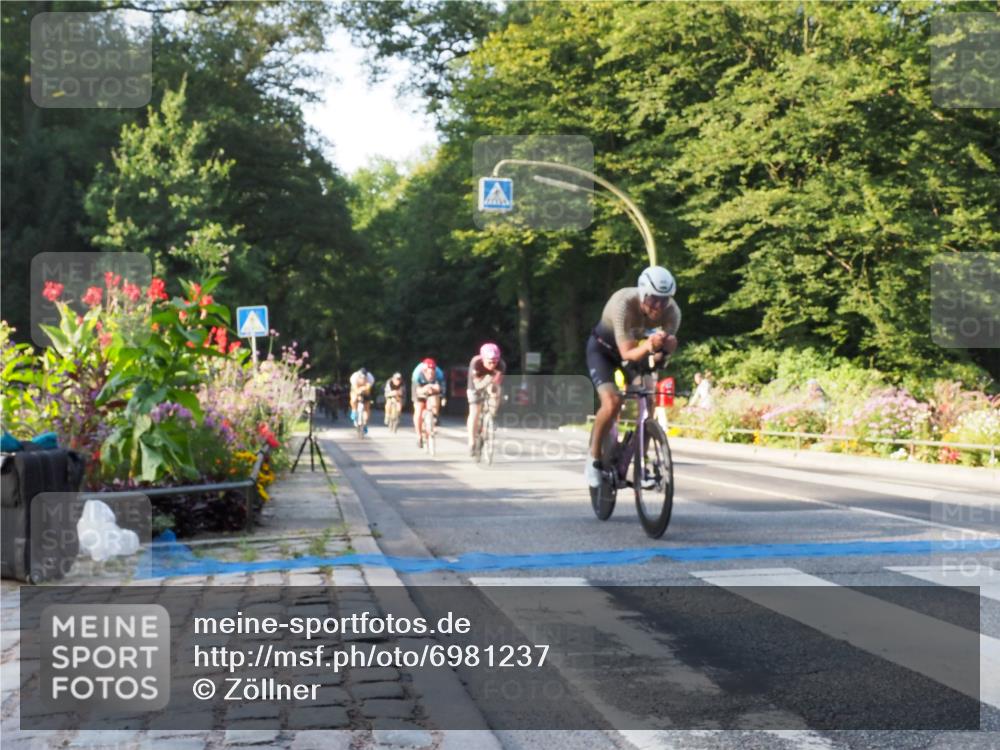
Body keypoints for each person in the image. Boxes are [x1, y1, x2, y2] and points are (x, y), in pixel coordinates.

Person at [585, 266, 681, 488]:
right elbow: (627, 353)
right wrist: (649, 345)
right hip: (603, 352)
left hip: (636, 354)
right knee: (612, 402)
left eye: (664, 300)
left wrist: (665, 352)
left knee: (649, 400)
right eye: (653, 299)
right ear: (642, 293)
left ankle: (640, 465)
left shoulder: (673, 313)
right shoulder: (624, 304)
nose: (659, 306)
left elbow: (657, 359)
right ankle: (593, 458)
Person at [467, 343, 507, 456]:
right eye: (489, 362)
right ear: (483, 359)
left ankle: (491, 417)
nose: (492, 364)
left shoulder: (501, 365)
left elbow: (496, 384)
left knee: (497, 392)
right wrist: (487, 381)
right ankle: (471, 442)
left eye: (495, 362)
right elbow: (477, 384)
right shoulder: (476, 362)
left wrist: (493, 393)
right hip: (475, 385)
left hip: (490, 383)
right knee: (475, 411)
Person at [411, 357, 446, 448]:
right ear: (424, 371)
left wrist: (443, 397)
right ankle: (419, 436)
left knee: (436, 397)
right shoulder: (417, 374)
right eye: (428, 372)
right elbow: (416, 391)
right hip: (420, 387)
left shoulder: (439, 374)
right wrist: (425, 389)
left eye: (432, 372)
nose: (430, 375)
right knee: (418, 410)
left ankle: (435, 416)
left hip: (433, 388)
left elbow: (442, 389)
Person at [349, 367, 375, 434]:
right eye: (361, 377)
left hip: (365, 389)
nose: (363, 379)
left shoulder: (370, 378)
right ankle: (354, 410)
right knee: (353, 399)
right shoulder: (354, 377)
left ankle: (365, 424)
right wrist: (358, 391)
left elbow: (368, 387)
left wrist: (364, 389)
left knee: (367, 407)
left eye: (364, 378)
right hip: (356, 388)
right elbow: (354, 388)